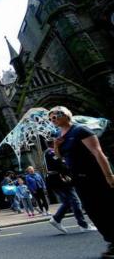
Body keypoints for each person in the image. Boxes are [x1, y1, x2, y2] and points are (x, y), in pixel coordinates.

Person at [49, 106, 114, 258]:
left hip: (95, 176)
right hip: (78, 179)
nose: (53, 119)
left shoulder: (80, 130)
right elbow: (59, 158)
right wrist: (57, 146)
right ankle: (111, 240)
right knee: (93, 212)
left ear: (66, 115)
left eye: (56, 115)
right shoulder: (59, 135)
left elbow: (98, 153)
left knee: (107, 208)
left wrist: (109, 176)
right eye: (51, 118)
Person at [44, 140, 97, 234]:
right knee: (75, 201)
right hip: (59, 179)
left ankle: (56, 219)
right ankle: (83, 225)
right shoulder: (51, 152)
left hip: (57, 179)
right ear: (54, 142)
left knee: (68, 201)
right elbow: (61, 164)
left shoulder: (53, 151)